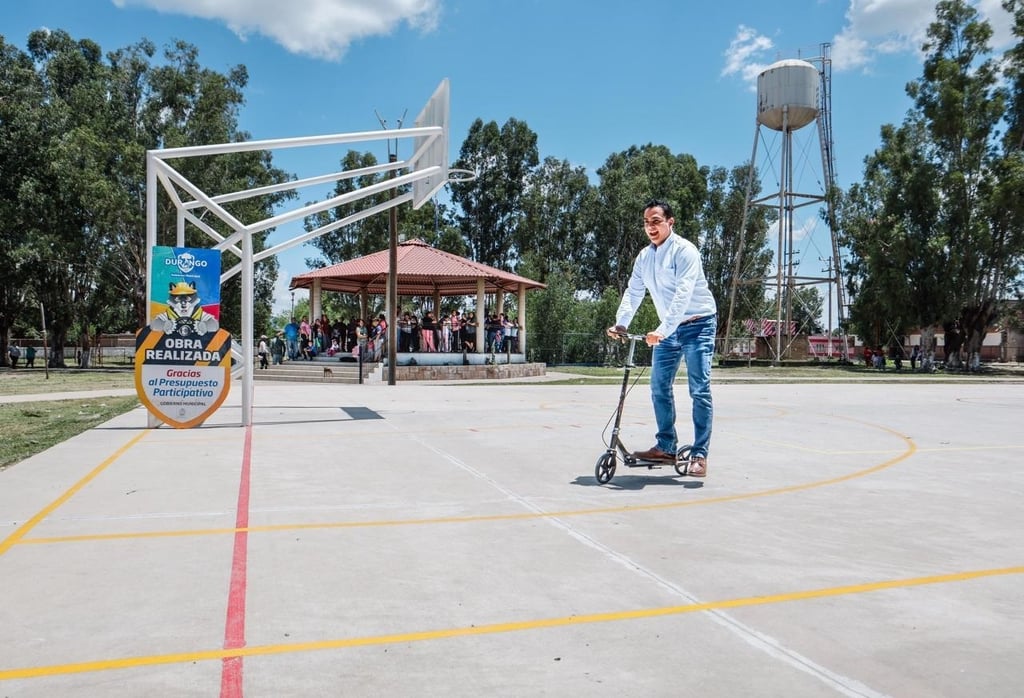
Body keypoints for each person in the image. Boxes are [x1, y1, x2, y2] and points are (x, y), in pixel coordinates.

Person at [607, 199, 717, 477]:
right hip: (667, 329)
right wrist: (621, 323)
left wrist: (662, 330)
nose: (650, 227)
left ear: (670, 222)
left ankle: (700, 455)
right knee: (658, 387)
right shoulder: (645, 257)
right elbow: (634, 291)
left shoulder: (685, 251)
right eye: (646, 222)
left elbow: (683, 294)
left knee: (699, 390)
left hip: (698, 324)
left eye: (656, 221)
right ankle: (667, 446)